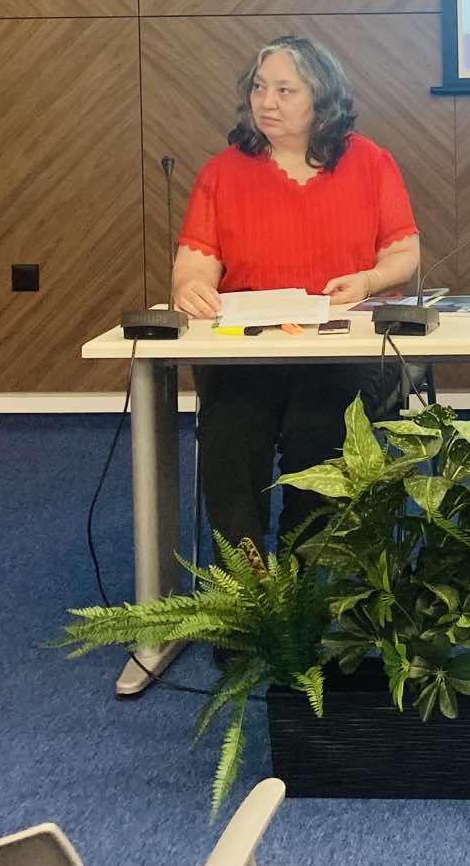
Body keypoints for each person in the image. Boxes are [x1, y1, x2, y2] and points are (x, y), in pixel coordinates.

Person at [172, 35, 420, 553]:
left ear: (321, 97)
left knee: (321, 430)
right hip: (249, 350)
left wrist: (368, 281)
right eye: (258, 88)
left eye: (285, 90)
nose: (266, 102)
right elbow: (194, 266)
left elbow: (403, 255)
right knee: (232, 431)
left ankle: (301, 567)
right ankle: (246, 577)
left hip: (341, 347)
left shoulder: (370, 162)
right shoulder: (223, 172)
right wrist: (190, 287)